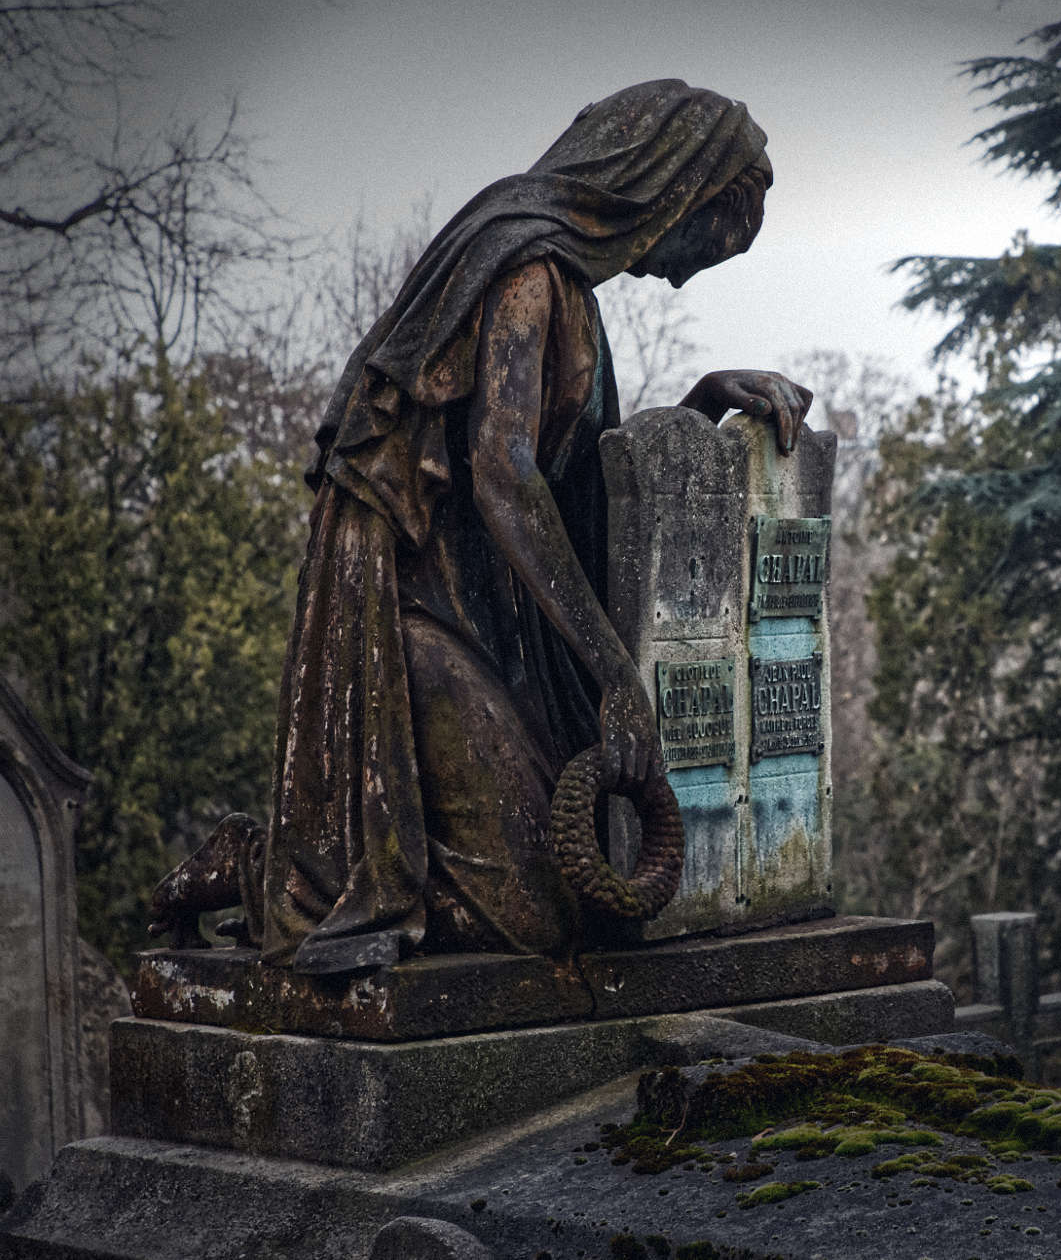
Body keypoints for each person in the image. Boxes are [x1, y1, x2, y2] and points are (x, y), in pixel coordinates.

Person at [149, 80, 811, 974]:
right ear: (668, 189)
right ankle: (263, 864)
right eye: (705, 242)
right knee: (533, 915)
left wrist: (694, 411)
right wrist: (614, 670)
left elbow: (565, 472)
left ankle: (340, 861)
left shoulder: (571, 293)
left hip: (492, 624)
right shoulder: (526, 269)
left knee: (559, 900)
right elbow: (504, 473)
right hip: (414, 615)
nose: (688, 272)